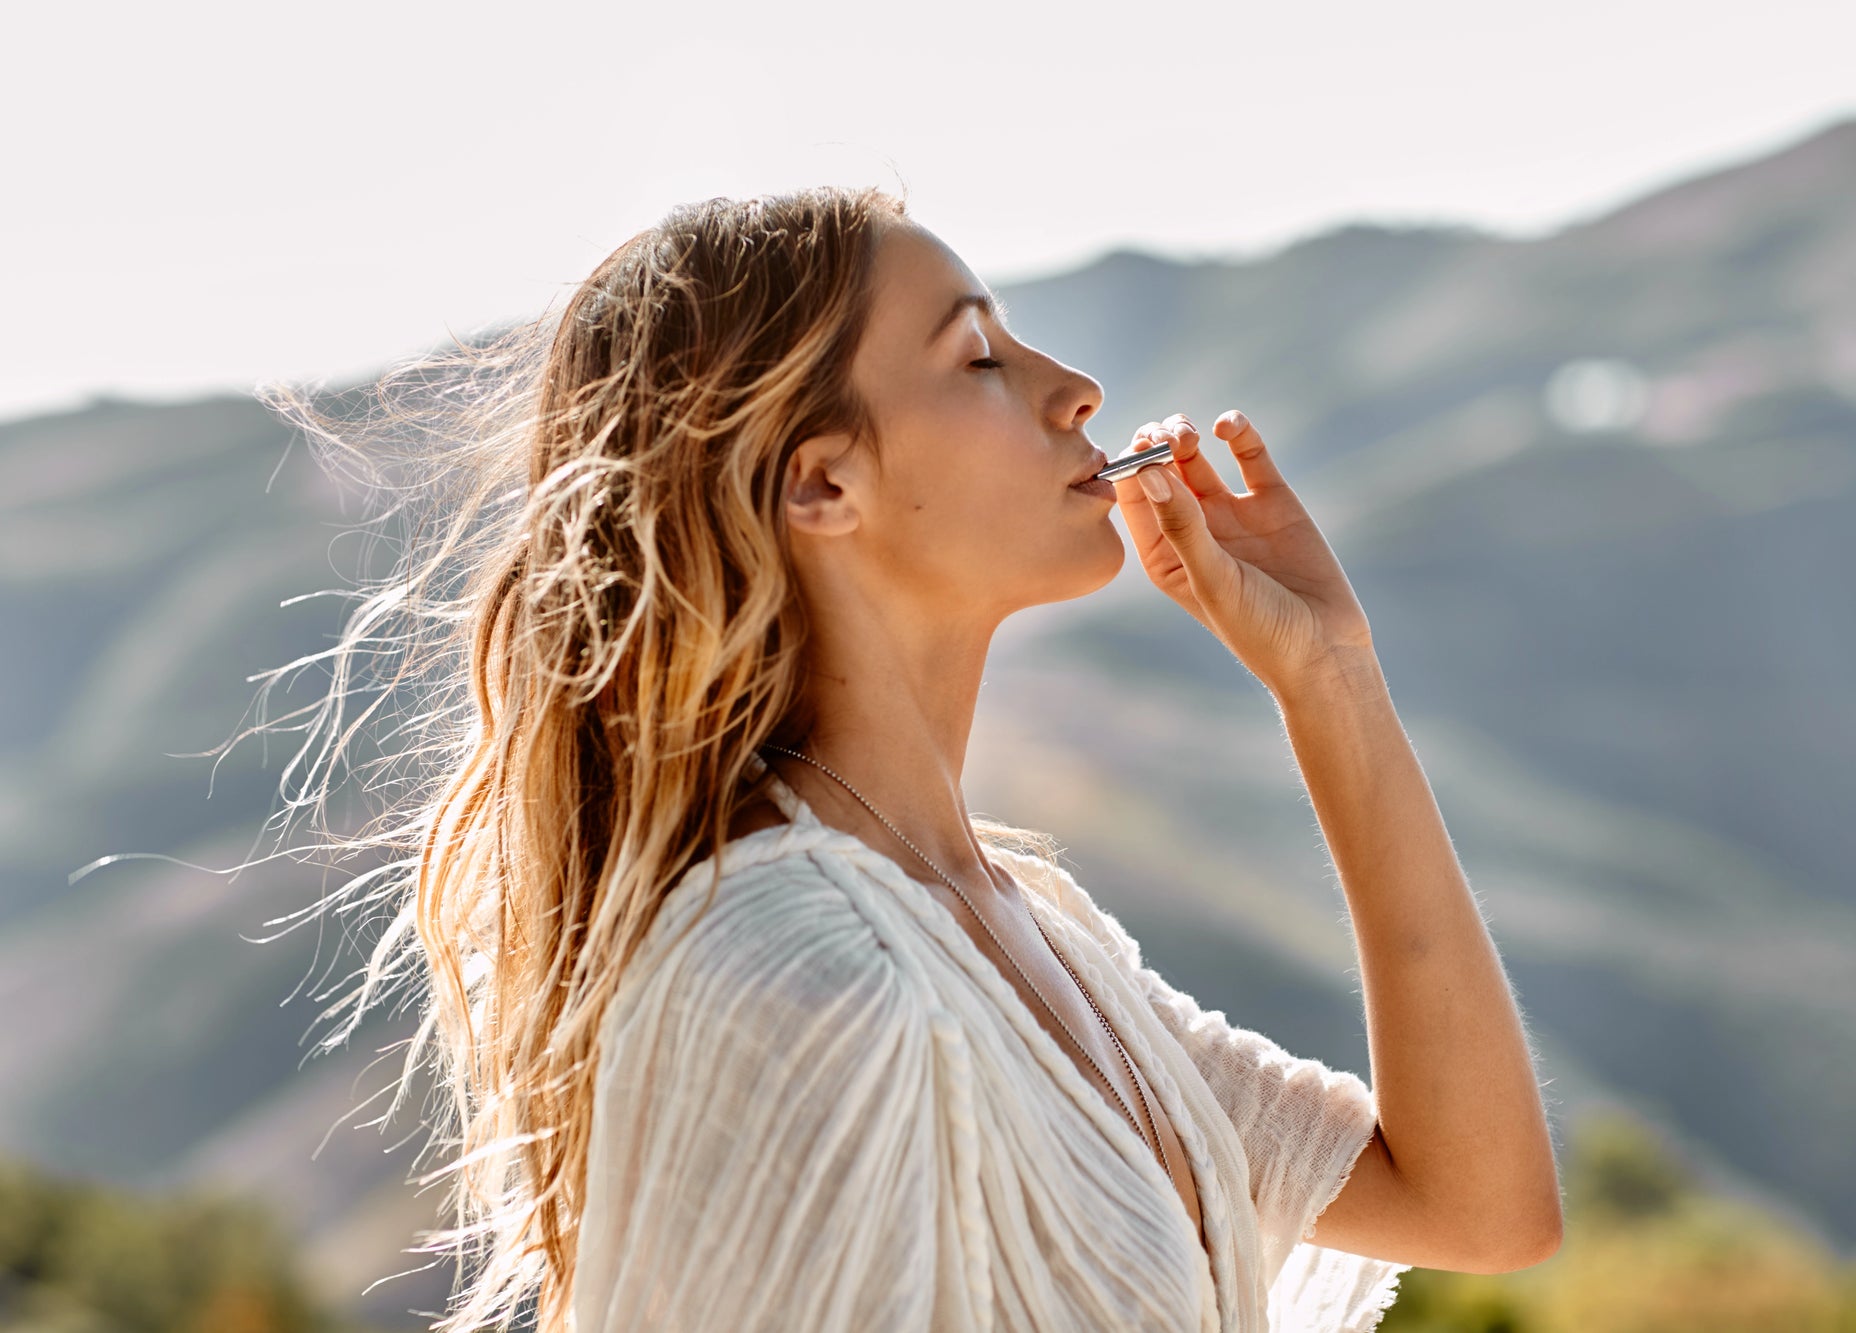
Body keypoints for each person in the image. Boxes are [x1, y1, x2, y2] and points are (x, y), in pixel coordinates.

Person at [252, 183, 1562, 1332]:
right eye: (980, 355)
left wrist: (1330, 679)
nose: (1077, 389)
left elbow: (1478, 1201)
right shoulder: (785, 967)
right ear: (821, 486)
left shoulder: (1024, 931)